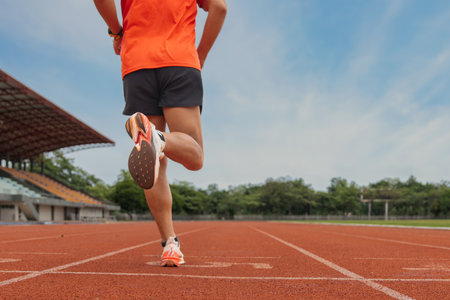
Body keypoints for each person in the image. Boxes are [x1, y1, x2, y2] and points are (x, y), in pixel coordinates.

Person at [93, 0, 227, 267]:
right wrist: (200, 56)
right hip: (179, 61)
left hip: (136, 64)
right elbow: (219, 7)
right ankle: (158, 137)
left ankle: (170, 244)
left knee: (156, 165)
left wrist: (117, 31)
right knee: (195, 157)